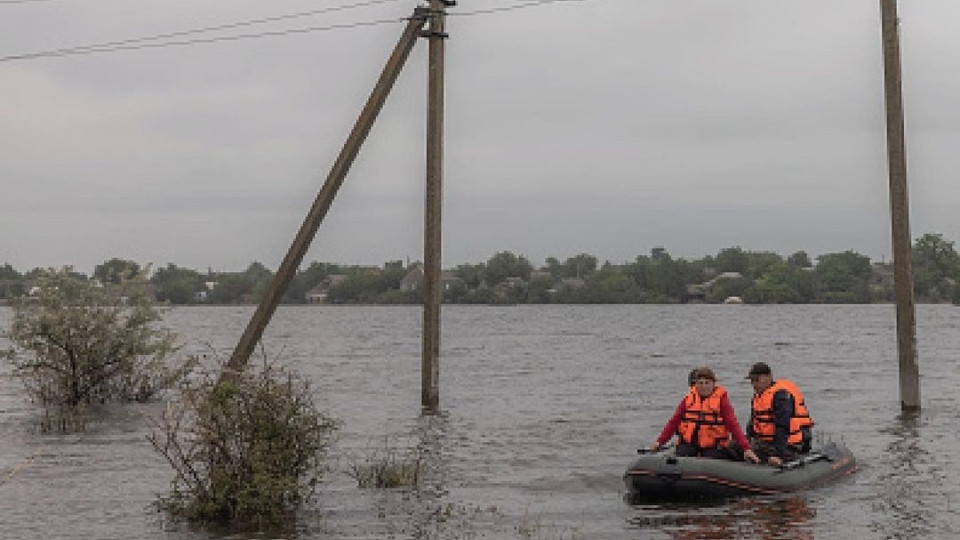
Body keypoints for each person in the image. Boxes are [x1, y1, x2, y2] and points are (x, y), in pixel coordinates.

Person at [651, 367, 760, 463]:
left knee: (711, 457)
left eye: (707, 383)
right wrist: (659, 442)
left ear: (713, 383)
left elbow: (733, 426)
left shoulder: (721, 402)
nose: (703, 386)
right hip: (689, 445)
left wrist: (746, 448)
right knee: (682, 456)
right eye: (700, 383)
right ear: (696, 384)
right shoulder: (688, 400)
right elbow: (673, 422)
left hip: (713, 447)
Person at [745, 362, 814, 466]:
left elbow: (783, 427)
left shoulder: (781, 396)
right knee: (734, 446)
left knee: (759, 455)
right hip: (765, 443)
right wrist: (746, 444)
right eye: (752, 381)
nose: (754, 384)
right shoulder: (758, 397)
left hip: (788, 445)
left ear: (769, 377)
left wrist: (778, 455)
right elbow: (752, 425)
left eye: (757, 380)